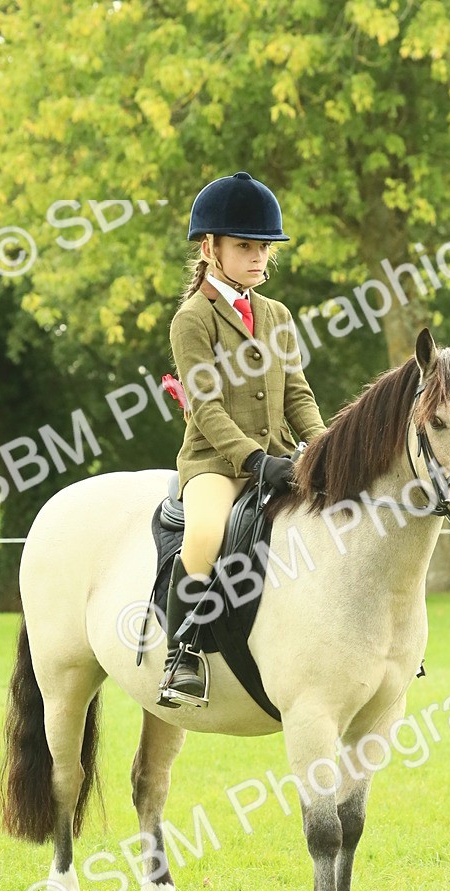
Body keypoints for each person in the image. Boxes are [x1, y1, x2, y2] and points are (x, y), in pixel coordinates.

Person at [158, 171, 327, 709]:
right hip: (215, 463)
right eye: (244, 247)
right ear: (210, 249)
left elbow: (297, 394)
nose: (258, 257)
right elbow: (204, 408)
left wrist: (325, 448)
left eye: (263, 248)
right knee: (205, 535)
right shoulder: (192, 319)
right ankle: (181, 653)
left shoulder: (277, 314)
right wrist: (255, 462)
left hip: (278, 457)